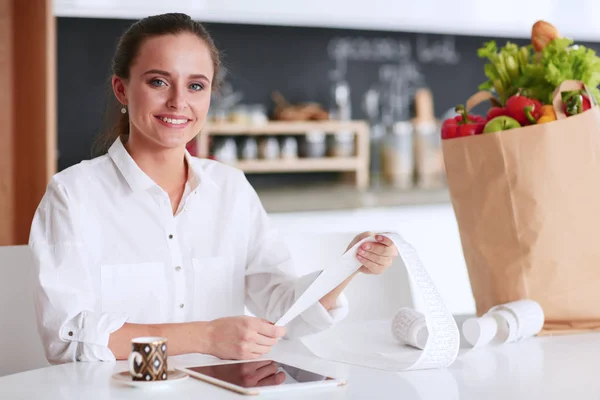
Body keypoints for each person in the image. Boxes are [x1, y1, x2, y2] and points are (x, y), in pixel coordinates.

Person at [29, 13, 398, 365]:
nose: (178, 102)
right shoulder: (72, 196)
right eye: (158, 81)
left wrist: (349, 264)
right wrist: (205, 337)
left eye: (195, 85)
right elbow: (68, 339)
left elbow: (283, 310)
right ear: (122, 89)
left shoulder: (231, 189)